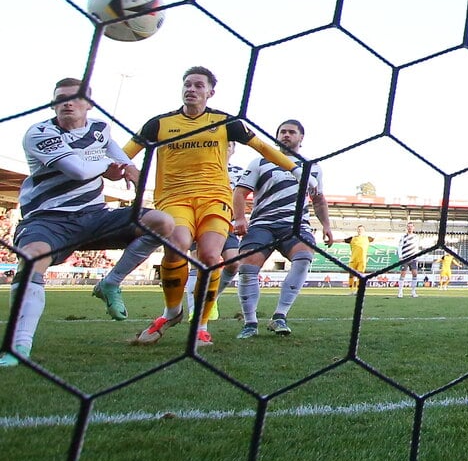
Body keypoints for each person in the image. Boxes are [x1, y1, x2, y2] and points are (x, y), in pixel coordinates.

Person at [124, 67, 318, 347]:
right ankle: (172, 312)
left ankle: (201, 326)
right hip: (173, 197)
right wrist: (124, 166)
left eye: (198, 85)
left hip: (214, 198)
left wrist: (297, 170)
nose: (191, 89)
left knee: (211, 256)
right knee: (177, 245)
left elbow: (263, 147)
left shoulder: (226, 122)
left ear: (210, 92)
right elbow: (126, 151)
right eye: (187, 84)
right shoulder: (159, 124)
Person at [1, 78, 175, 367]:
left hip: (95, 217)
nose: (67, 103)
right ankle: (18, 346)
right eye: (60, 98)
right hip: (50, 219)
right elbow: (78, 171)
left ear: (89, 104)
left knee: (162, 222)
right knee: (32, 260)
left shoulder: (99, 128)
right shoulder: (40, 133)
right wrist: (109, 168)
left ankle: (110, 283)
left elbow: (116, 152)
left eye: (74, 98)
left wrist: (129, 168)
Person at [232, 119, 333, 339]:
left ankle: (280, 316)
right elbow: (240, 192)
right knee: (247, 266)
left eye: (291, 132)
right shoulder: (261, 161)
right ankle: (250, 322)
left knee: (304, 255)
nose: (286, 135)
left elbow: (318, 200)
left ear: (301, 137)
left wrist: (326, 225)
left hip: (295, 225)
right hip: (262, 224)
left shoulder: (313, 167)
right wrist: (239, 218)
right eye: (282, 132)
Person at [184, 141, 243, 320]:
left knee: (233, 263)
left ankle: (211, 298)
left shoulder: (240, 173)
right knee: (198, 264)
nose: (226, 147)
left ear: (233, 149)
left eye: (229, 145)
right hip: (200, 221)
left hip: (227, 225)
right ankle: (195, 310)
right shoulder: (200, 168)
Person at [342, 224, 373, 295]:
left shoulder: (367, 238)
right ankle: (351, 290)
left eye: (361, 229)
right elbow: (343, 240)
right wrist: (332, 240)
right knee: (351, 275)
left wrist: (390, 238)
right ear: (357, 230)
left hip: (362, 260)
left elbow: (376, 239)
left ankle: (358, 290)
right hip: (353, 259)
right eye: (359, 229)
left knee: (360, 275)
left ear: (364, 231)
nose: (360, 231)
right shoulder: (353, 238)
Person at [397, 221, 421, 298]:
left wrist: (417, 256)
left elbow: (417, 247)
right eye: (408, 226)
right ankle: (400, 292)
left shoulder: (416, 237)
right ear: (407, 228)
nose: (410, 228)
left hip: (413, 258)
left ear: (413, 228)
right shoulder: (403, 237)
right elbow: (400, 247)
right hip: (405, 258)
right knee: (403, 274)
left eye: (411, 226)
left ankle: (413, 292)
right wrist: (400, 257)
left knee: (415, 274)